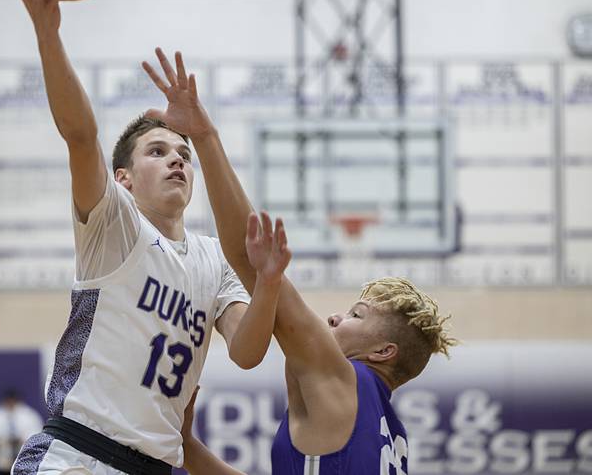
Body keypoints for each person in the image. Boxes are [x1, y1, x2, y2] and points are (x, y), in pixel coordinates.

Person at [6, 0, 286, 475]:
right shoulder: (114, 224)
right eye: (156, 151)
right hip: (77, 456)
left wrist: (268, 282)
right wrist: (47, 31)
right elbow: (80, 135)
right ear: (123, 179)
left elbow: (248, 353)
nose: (176, 158)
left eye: (182, 153)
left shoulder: (214, 258)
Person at [140, 50, 458, 474]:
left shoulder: (347, 382)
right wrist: (189, 447)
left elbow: (246, 260)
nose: (334, 317)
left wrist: (205, 136)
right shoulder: (391, 435)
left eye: (356, 316)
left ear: (383, 351)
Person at [0, 388, 44, 475]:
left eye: (13, 400)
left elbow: (39, 434)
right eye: (8, 400)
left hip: (24, 462)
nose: (11, 402)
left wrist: (24, 440)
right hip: (2, 462)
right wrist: (0, 440)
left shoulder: (29, 415)